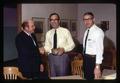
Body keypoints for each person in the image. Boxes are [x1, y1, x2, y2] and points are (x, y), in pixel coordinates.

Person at [40, 13, 75, 77]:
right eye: (51, 20)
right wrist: (43, 48)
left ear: (59, 21)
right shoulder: (48, 33)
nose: (53, 22)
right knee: (53, 76)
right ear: (50, 21)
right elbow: (47, 46)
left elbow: (72, 44)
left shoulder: (65, 31)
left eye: (55, 19)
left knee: (62, 77)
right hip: (51, 57)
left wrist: (64, 49)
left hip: (62, 57)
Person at [82, 12, 104, 79]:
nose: (86, 21)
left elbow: (100, 50)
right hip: (86, 59)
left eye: (89, 19)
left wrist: (97, 67)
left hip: (93, 60)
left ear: (93, 19)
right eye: (85, 19)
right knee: (86, 78)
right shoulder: (87, 31)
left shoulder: (98, 32)